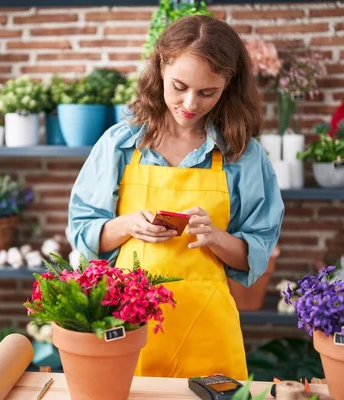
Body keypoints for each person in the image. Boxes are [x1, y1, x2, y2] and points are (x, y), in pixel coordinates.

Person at [67, 15, 284, 380]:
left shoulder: (243, 156)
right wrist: (128, 225)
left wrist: (216, 237)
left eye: (207, 92)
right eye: (179, 86)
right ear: (161, 66)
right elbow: (83, 233)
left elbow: (256, 252)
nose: (189, 104)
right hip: (127, 329)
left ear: (227, 85)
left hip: (208, 331)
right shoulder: (120, 144)